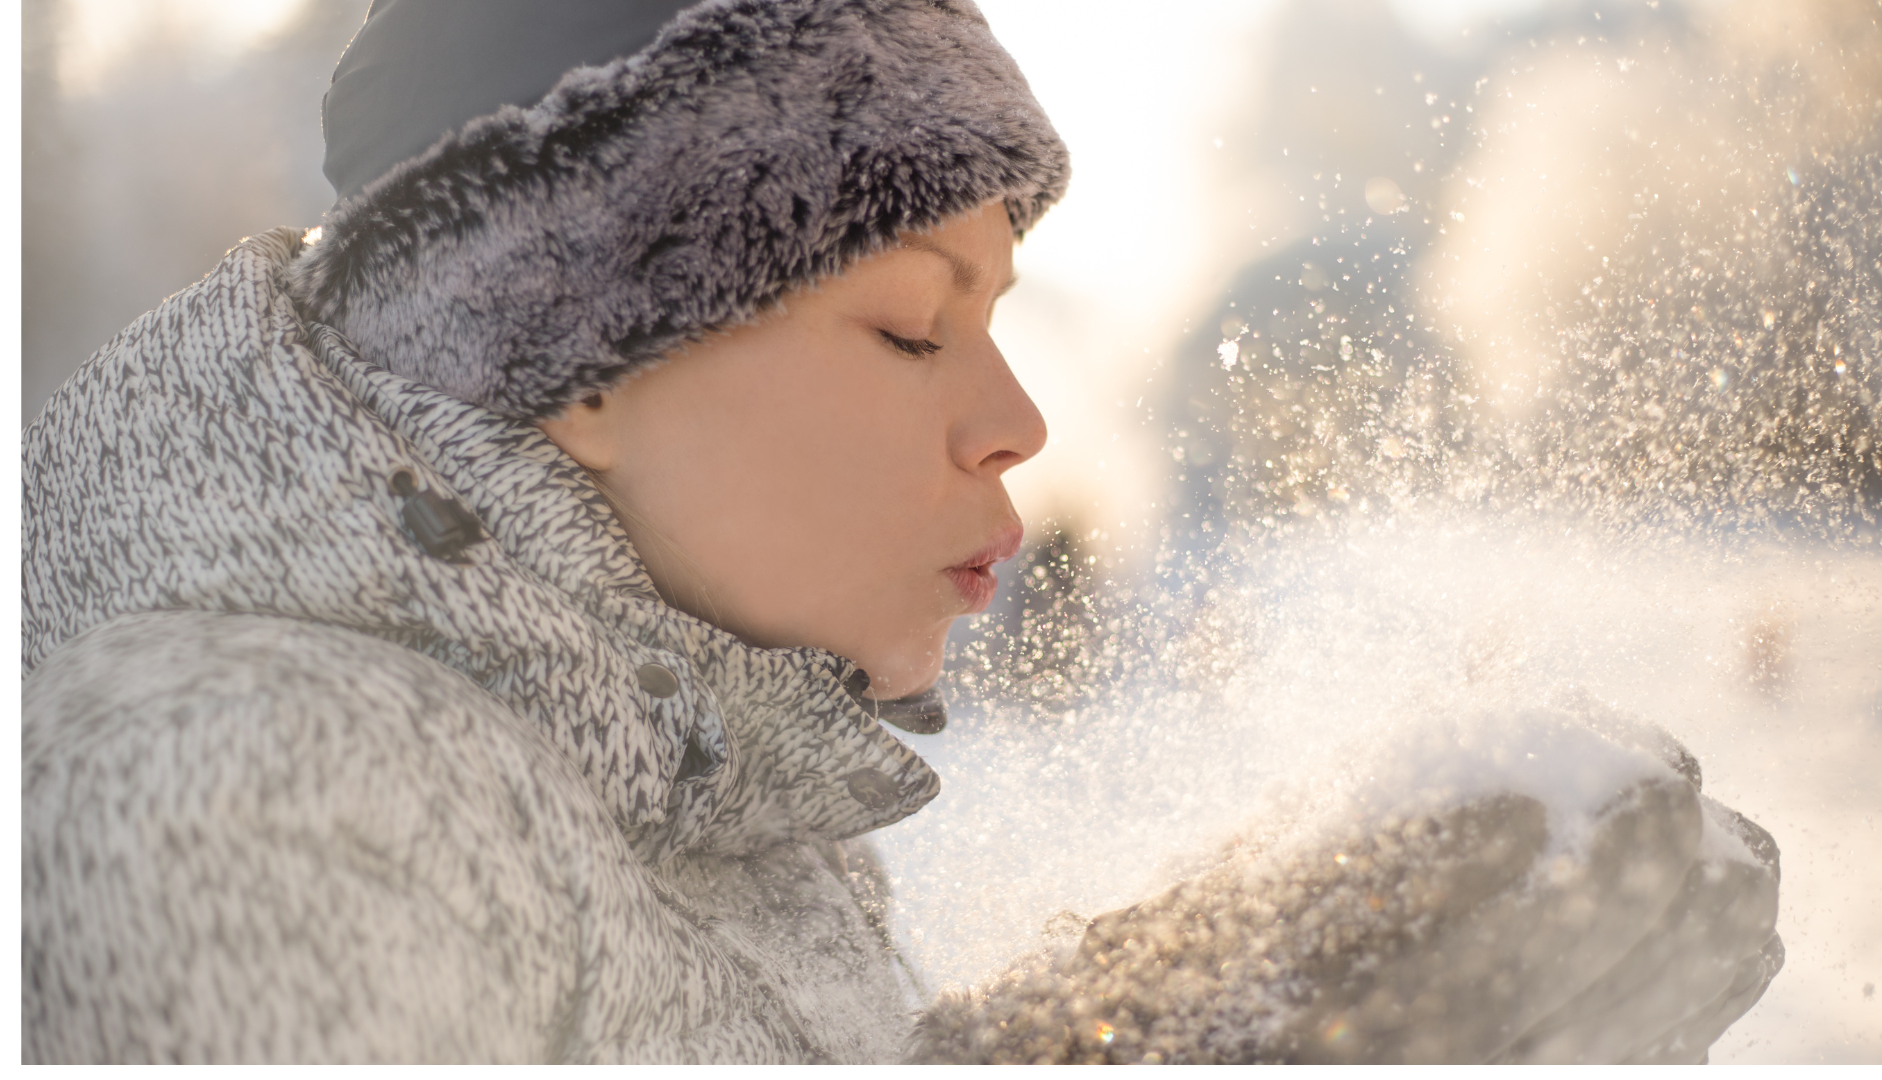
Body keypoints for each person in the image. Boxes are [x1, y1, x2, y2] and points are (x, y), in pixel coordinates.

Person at [20, 0, 1782, 1063]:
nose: (1016, 421)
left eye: (1001, 316)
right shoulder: (253, 781)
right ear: (571, 352)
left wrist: (1233, 995)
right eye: (910, 323)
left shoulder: (685, 792)